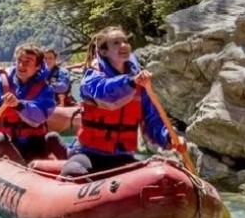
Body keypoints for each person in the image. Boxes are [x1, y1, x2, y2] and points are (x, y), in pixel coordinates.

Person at [60, 26, 177, 177]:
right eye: (116, 43)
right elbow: (106, 95)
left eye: (125, 41)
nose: (124, 45)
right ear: (104, 52)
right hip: (88, 153)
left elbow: (152, 121)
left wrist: (169, 137)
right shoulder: (91, 78)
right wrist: (130, 82)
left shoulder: (140, 83)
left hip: (122, 156)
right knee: (73, 173)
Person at [0, 43, 67, 165]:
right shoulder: (0, 85)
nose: (21, 65)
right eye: (19, 60)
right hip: (6, 144)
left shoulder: (45, 89)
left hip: (33, 143)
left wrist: (19, 105)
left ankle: (74, 172)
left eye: (28, 61)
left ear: (37, 66)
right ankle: (23, 169)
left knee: (52, 137)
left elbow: (40, 116)